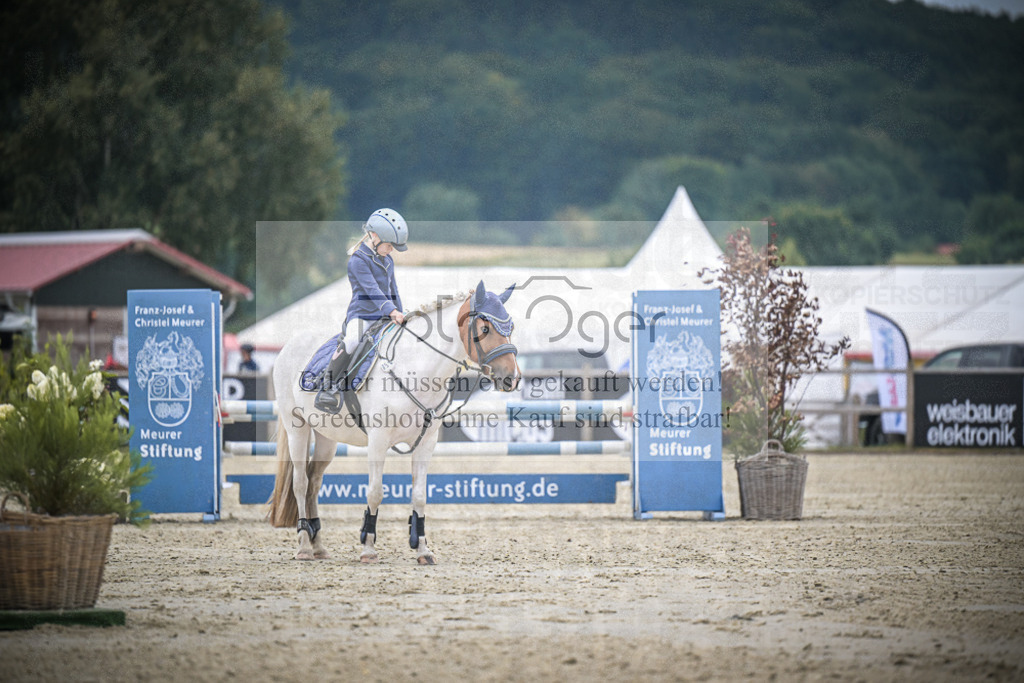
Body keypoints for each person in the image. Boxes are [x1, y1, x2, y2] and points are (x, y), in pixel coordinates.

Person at [315, 208, 409, 413]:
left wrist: (400, 313)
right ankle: (327, 388)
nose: (392, 249)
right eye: (389, 244)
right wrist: (392, 311)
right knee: (351, 341)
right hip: (363, 315)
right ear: (374, 236)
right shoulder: (358, 261)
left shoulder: (387, 260)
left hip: (385, 316)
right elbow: (372, 290)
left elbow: (393, 291)